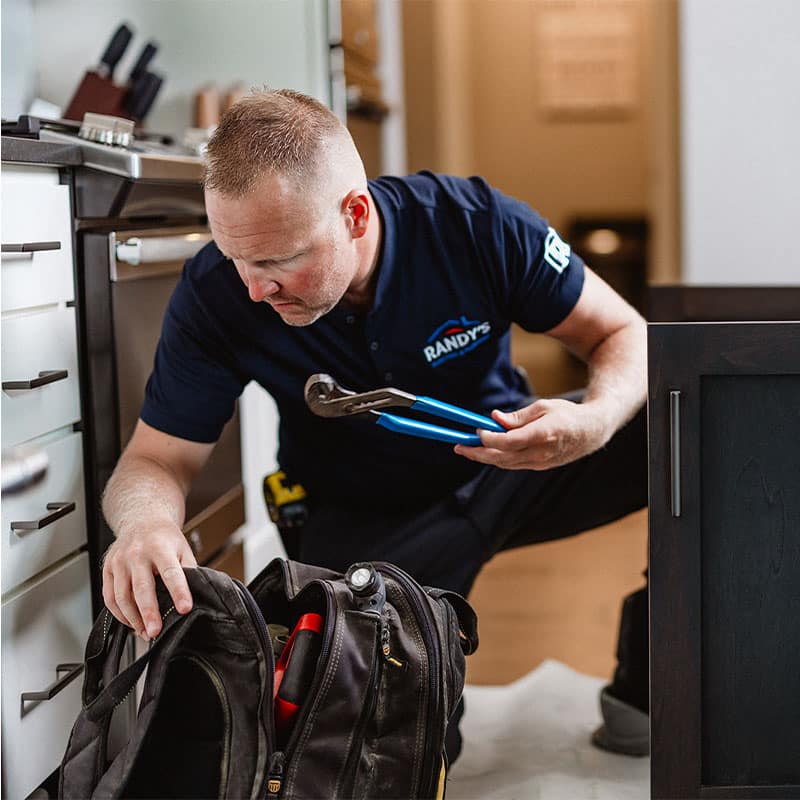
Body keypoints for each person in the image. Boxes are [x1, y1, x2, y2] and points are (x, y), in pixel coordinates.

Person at [100, 89, 650, 759]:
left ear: (354, 214)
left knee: (696, 423)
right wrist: (145, 524)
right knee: (376, 751)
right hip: (365, 522)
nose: (254, 289)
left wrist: (591, 421)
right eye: (239, 258)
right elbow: (155, 460)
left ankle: (655, 660)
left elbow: (626, 333)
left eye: (278, 261)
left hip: (510, 464)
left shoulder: (476, 226)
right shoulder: (219, 293)